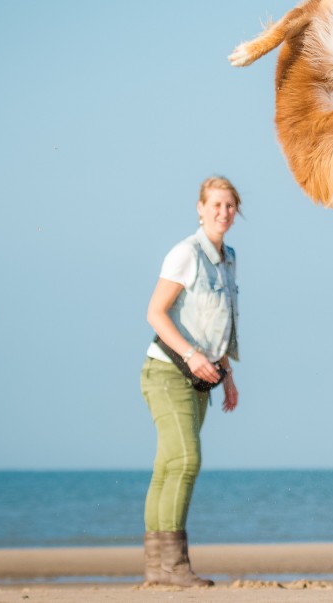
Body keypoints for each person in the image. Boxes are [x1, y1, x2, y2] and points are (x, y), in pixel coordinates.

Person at [139, 176, 241, 588]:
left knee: (168, 466)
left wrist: (228, 374)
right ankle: (174, 567)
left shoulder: (229, 257)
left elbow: (221, 322)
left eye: (230, 205)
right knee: (186, 460)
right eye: (215, 205)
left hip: (203, 377)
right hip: (166, 371)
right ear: (200, 208)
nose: (223, 212)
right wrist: (191, 354)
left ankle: (156, 570)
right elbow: (155, 313)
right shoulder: (186, 253)